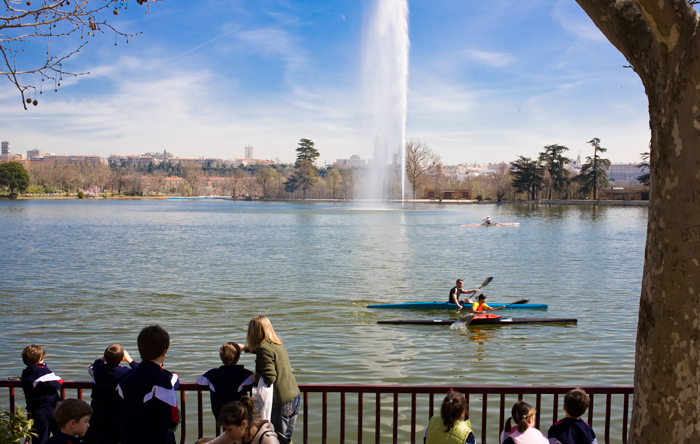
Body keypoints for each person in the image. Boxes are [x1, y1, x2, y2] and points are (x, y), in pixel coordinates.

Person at [117, 325, 180, 444]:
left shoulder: (126, 379)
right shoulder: (162, 380)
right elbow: (173, 419)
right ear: (164, 351)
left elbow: (120, 412)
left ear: (140, 349)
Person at [245, 316, 300, 444]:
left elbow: (270, 377)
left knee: (277, 439)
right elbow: (265, 353)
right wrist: (244, 348)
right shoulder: (277, 344)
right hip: (293, 397)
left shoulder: (264, 349)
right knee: (286, 438)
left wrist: (256, 377)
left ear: (254, 332)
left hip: (281, 402)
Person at [84, 344, 138, 444]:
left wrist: (102, 359)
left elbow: (91, 367)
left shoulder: (98, 370)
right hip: (116, 414)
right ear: (122, 359)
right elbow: (139, 371)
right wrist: (130, 360)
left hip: (97, 413)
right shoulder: (125, 373)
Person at [196, 342, 254, 421]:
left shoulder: (212, 374)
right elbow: (256, 380)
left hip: (220, 414)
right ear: (238, 358)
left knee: (227, 430)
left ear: (221, 357)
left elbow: (198, 383)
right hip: (238, 414)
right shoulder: (243, 374)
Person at [20, 344, 63, 444]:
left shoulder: (26, 373)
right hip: (51, 409)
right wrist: (44, 367)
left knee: (40, 440)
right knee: (61, 437)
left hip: (36, 412)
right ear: (40, 360)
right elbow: (58, 383)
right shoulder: (42, 371)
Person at [195, 397, 279, 444]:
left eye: (229, 429)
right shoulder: (236, 433)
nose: (226, 433)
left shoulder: (268, 440)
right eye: (225, 429)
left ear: (244, 424)